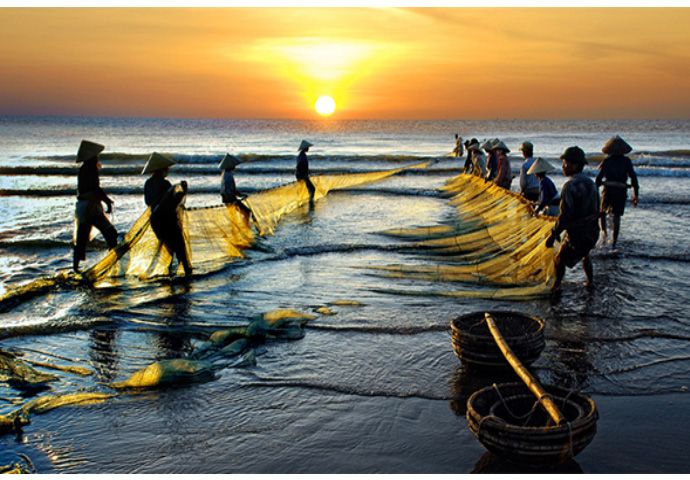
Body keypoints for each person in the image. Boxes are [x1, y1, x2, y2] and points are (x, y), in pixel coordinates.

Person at [545, 146, 600, 289]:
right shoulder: (591, 183)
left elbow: (565, 216)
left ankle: (556, 286)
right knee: (585, 253)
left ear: (575, 165)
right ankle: (590, 282)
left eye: (565, 163)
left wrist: (553, 234)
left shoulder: (570, 186)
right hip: (593, 232)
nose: (563, 166)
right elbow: (596, 208)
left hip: (578, 234)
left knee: (559, 259)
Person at [142, 152, 192, 277]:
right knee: (180, 248)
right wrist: (183, 191)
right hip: (167, 221)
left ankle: (170, 275)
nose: (168, 170)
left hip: (156, 221)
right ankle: (187, 277)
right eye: (166, 169)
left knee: (169, 247)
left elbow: (148, 202)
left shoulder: (148, 183)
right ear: (162, 169)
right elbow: (172, 203)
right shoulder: (165, 184)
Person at [73, 140, 118, 273]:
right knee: (111, 234)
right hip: (90, 207)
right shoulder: (90, 168)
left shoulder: (84, 168)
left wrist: (104, 200)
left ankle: (75, 268)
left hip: (83, 206)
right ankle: (113, 262)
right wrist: (107, 201)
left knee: (81, 239)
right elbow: (95, 189)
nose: (98, 157)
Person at [595, 135, 639, 248]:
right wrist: (635, 195)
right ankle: (614, 241)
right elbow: (633, 178)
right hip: (620, 191)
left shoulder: (607, 161)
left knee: (602, 213)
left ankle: (604, 234)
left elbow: (598, 179)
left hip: (608, 190)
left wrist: (595, 191)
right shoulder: (626, 161)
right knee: (617, 216)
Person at [219, 153, 252, 218]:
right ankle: (245, 227)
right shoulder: (228, 175)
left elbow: (230, 189)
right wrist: (236, 197)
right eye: (233, 165)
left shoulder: (225, 173)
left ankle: (236, 227)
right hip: (230, 199)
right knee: (247, 212)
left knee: (233, 215)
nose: (235, 166)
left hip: (227, 198)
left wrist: (240, 194)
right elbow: (229, 189)